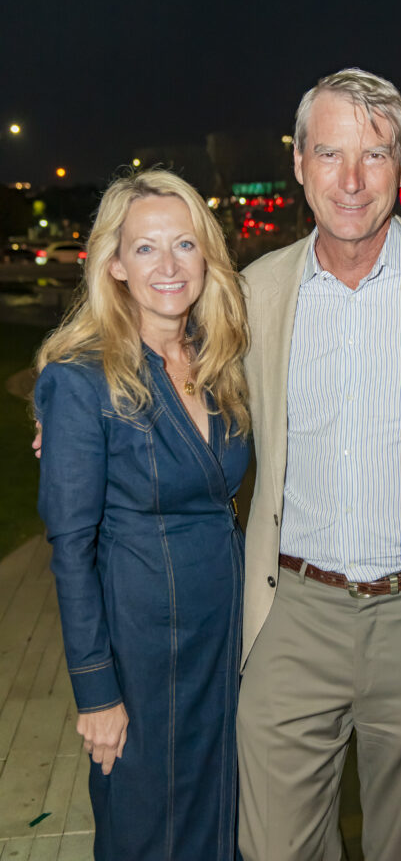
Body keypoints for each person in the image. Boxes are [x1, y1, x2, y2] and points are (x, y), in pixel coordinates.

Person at [236, 67, 401, 861]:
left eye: (374, 155)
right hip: (292, 615)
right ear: (302, 165)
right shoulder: (256, 292)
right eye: (330, 154)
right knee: (275, 845)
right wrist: (71, 413)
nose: (351, 181)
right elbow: (166, 370)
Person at [34, 170, 250, 861]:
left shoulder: (223, 363)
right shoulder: (79, 379)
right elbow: (70, 546)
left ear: (207, 257)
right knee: (145, 830)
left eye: (184, 244)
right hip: (140, 649)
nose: (168, 265)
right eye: (147, 248)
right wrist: (96, 691)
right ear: (115, 263)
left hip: (226, 639)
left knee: (221, 821)